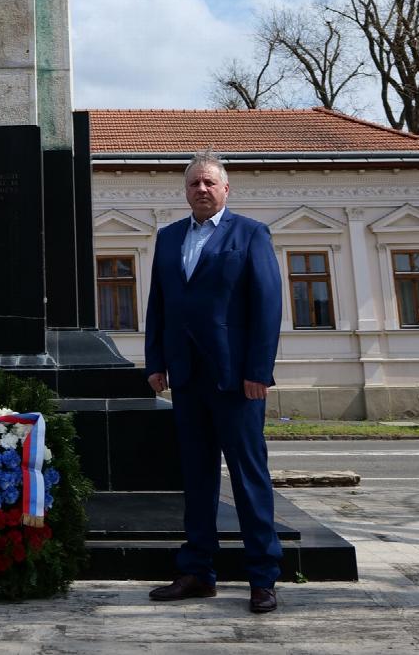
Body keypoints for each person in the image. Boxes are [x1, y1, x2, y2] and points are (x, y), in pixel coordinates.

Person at [145, 151, 283, 615]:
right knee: (197, 478)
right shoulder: (168, 239)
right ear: (185, 191)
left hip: (236, 381)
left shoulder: (250, 234)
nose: (201, 190)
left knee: (248, 478)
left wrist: (259, 372)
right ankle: (198, 571)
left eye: (209, 182)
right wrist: (156, 362)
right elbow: (158, 306)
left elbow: (266, 308)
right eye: (193, 184)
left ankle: (263, 577)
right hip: (185, 379)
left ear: (226, 189)